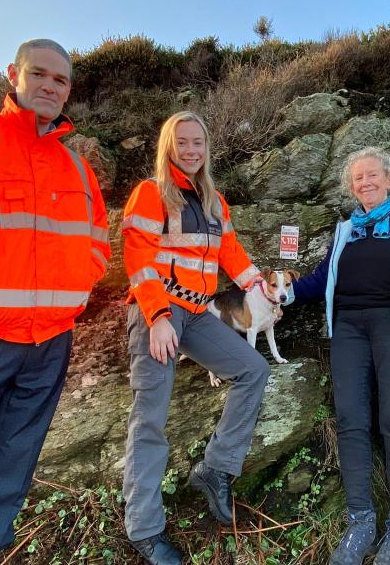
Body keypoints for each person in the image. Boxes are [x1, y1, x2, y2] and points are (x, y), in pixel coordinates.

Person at [0, 39, 110, 564]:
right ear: (13, 73)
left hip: (50, 340)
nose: (51, 87)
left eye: (62, 80)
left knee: (13, 461)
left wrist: (78, 286)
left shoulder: (76, 167)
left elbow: (99, 241)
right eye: (40, 74)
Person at [287, 147, 390, 565]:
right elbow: (324, 279)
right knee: (351, 421)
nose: (365, 183)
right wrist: (283, 291)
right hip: (348, 328)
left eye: (373, 175)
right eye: (358, 178)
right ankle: (360, 522)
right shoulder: (345, 230)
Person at [122, 111, 270, 565]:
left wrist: (256, 284)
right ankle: (143, 530)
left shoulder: (213, 199)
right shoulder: (150, 193)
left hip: (198, 314)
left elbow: (230, 251)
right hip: (156, 315)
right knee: (151, 418)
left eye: (198, 143)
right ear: (168, 146)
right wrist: (158, 315)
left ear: (207, 149)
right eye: (182, 143)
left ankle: (215, 469)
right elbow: (138, 257)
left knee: (253, 369)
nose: (190, 151)